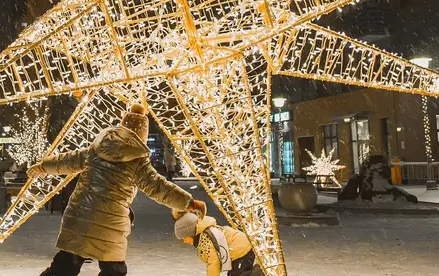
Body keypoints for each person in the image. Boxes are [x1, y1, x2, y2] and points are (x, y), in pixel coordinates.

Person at [28, 103, 206, 276]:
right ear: (142, 135)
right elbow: (160, 188)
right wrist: (188, 202)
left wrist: (43, 166)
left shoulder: (97, 149)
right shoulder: (138, 161)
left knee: (66, 264)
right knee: (114, 270)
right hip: (111, 224)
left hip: (80, 216)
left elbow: (66, 161)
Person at [173, 211, 263, 276]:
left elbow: (213, 264)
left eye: (185, 238)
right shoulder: (205, 234)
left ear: (192, 234)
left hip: (241, 250)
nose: (184, 241)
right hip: (239, 249)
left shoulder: (207, 241)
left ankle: (259, 273)